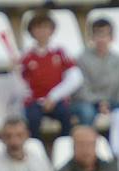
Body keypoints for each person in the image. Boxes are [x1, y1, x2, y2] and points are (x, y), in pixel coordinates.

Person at [74, 18, 119, 155]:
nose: (101, 39)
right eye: (98, 35)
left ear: (112, 38)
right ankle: (88, 150)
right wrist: (99, 102)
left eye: (105, 35)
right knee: (86, 112)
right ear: (91, 37)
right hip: (88, 102)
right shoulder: (81, 59)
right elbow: (81, 89)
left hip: (113, 102)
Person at [19, 12, 82, 140]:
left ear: (52, 30)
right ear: (31, 31)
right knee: (33, 120)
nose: (42, 32)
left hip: (56, 100)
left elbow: (76, 77)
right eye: (38, 28)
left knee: (66, 115)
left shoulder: (60, 52)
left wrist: (53, 97)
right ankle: (36, 149)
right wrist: (15, 70)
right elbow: (21, 84)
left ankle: (64, 147)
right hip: (35, 101)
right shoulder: (26, 55)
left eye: (45, 27)